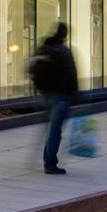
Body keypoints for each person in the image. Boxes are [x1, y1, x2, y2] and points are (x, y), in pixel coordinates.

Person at [29, 23, 80, 175]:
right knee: (55, 132)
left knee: (49, 129)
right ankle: (50, 164)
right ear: (64, 35)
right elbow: (72, 74)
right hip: (61, 97)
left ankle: (45, 159)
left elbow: (31, 69)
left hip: (45, 95)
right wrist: (75, 95)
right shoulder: (64, 51)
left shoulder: (43, 49)